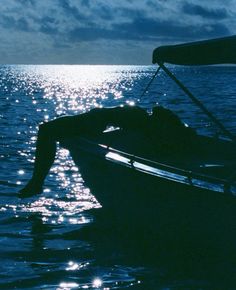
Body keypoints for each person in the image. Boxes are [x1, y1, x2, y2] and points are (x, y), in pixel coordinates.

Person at [19, 105, 196, 198]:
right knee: (47, 130)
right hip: (100, 120)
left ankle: (37, 182)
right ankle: (37, 182)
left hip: (98, 121)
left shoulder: (143, 122)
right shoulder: (140, 118)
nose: (159, 111)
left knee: (47, 130)